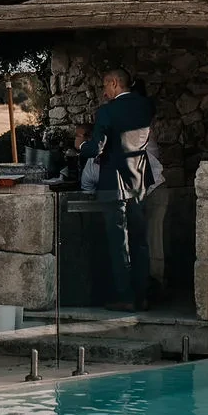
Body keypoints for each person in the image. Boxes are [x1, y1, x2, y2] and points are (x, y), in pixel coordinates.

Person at [83, 67, 156, 311]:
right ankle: (143, 295)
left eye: (105, 85)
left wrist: (81, 144)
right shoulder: (146, 106)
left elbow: (96, 149)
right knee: (140, 241)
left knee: (118, 243)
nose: (103, 91)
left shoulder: (107, 111)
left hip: (112, 183)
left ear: (115, 83)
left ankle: (125, 297)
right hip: (139, 181)